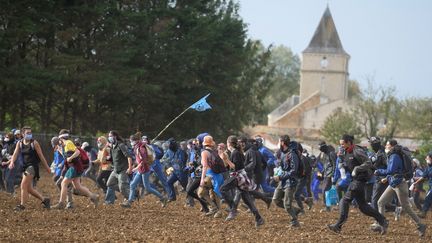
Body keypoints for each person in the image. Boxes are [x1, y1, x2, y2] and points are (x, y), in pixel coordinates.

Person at [328, 134, 388, 234]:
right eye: (341, 144)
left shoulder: (357, 150)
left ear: (348, 142)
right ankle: (383, 220)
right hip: (356, 181)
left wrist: (357, 169)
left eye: (343, 144)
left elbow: (368, 163)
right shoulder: (347, 152)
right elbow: (350, 165)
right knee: (363, 207)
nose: (341, 146)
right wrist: (343, 164)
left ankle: (338, 225)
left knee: (344, 200)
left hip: (359, 181)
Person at [375, 140, 426, 237]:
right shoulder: (393, 154)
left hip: (400, 185)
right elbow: (396, 171)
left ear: (392, 146)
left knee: (406, 207)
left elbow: (391, 170)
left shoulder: (394, 156)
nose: (386, 146)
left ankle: (421, 225)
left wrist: (379, 171)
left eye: (387, 145)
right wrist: (387, 178)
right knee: (380, 202)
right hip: (394, 183)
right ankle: (382, 225)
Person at [220, 136, 264, 227]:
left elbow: (234, 167)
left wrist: (226, 159)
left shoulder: (235, 153)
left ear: (229, 143)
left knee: (223, 189)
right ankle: (259, 218)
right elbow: (229, 167)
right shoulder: (235, 152)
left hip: (238, 177)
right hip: (240, 176)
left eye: (227, 143)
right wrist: (224, 160)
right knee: (247, 200)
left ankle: (233, 209)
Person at [51, 129, 99, 209]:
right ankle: (94, 197)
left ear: (60, 138)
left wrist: (70, 158)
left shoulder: (68, 143)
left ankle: (61, 204)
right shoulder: (64, 146)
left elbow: (77, 152)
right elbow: (67, 159)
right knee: (78, 187)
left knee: (63, 183)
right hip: (77, 167)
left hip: (74, 167)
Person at [8, 127, 51, 211]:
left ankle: (22, 205)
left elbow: (41, 156)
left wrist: (47, 168)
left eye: (30, 133)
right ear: (23, 134)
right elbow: (15, 153)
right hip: (25, 166)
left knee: (23, 185)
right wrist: (12, 162)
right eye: (27, 133)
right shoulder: (19, 143)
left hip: (32, 167)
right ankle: (45, 200)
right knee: (29, 189)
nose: (29, 134)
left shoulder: (34, 143)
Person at [122, 133, 167, 208]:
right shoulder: (137, 147)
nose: (131, 143)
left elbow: (143, 160)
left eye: (131, 141)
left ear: (136, 141)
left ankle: (162, 198)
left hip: (145, 169)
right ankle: (129, 202)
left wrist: (135, 168)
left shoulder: (141, 148)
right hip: (141, 169)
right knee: (132, 185)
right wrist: (134, 166)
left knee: (147, 188)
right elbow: (138, 160)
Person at [272, 135, 302, 227]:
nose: (278, 144)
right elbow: (282, 165)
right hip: (283, 181)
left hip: (290, 182)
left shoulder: (292, 154)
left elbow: (293, 171)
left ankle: (295, 222)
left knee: (287, 204)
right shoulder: (282, 153)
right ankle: (296, 210)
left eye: (279, 141)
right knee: (276, 200)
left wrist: (280, 177)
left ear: (282, 143)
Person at [198, 135, 224, 218]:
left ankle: (214, 208)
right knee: (214, 194)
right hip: (218, 175)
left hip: (210, 175)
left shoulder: (204, 152)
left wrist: (202, 179)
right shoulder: (214, 151)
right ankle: (219, 211)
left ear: (204, 143)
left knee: (200, 193)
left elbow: (205, 166)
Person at [104, 131, 133, 205]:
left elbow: (129, 156)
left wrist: (130, 168)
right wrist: (108, 158)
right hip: (115, 170)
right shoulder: (112, 147)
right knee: (109, 184)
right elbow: (112, 158)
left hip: (122, 170)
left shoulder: (121, 145)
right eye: (109, 136)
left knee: (122, 188)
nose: (109, 138)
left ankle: (130, 199)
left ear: (115, 136)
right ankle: (131, 193)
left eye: (111, 136)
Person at [317, 141, 336, 212]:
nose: (320, 150)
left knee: (325, 190)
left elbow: (334, 164)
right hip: (326, 174)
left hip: (330, 174)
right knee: (325, 190)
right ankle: (328, 207)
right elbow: (326, 166)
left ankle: (328, 207)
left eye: (320, 148)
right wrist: (321, 173)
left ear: (324, 147)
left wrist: (333, 175)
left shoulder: (331, 153)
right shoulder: (324, 154)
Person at [414, 152, 432, 218]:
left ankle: (423, 213)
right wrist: (416, 182)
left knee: (427, 198)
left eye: (427, 158)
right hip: (430, 186)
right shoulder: (428, 167)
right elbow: (423, 176)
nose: (426, 159)